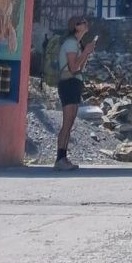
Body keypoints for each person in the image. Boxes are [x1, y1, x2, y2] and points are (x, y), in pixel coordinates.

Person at [43, 16, 98, 171]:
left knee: (70, 122)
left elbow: (79, 67)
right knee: (67, 123)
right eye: (83, 22)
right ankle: (60, 158)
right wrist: (86, 51)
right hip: (68, 84)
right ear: (76, 26)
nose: (86, 24)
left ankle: (63, 158)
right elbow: (73, 67)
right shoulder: (71, 43)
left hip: (73, 84)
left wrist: (86, 52)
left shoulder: (77, 44)